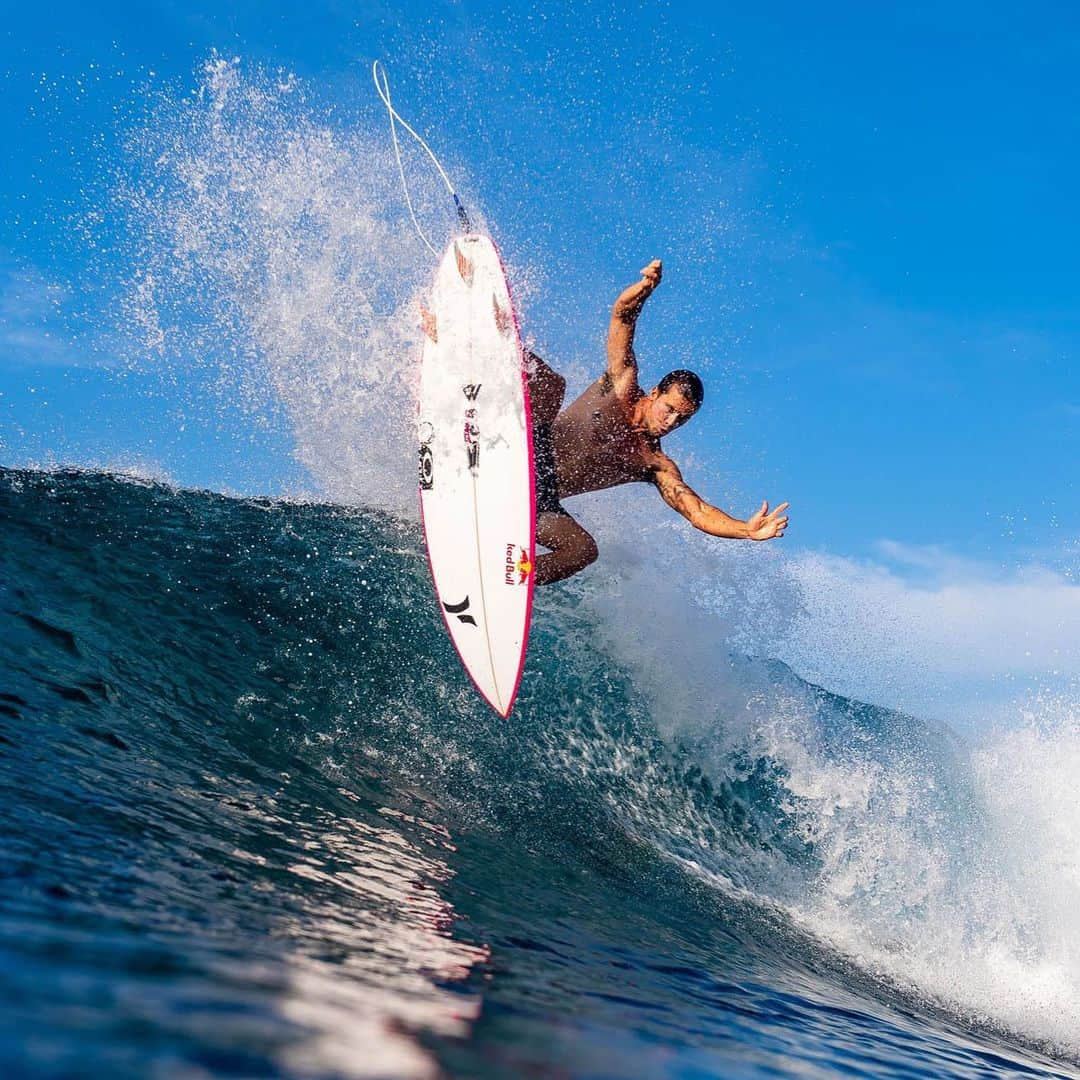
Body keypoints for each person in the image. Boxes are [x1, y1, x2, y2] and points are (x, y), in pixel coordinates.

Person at [528, 258, 789, 586]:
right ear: (654, 393)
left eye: (683, 418)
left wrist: (745, 530)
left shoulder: (654, 463)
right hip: (525, 447)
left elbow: (696, 511)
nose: (672, 421)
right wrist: (645, 290)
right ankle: (481, 348)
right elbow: (622, 318)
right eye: (669, 408)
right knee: (552, 384)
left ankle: (512, 575)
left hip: (537, 499)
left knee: (582, 550)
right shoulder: (622, 385)